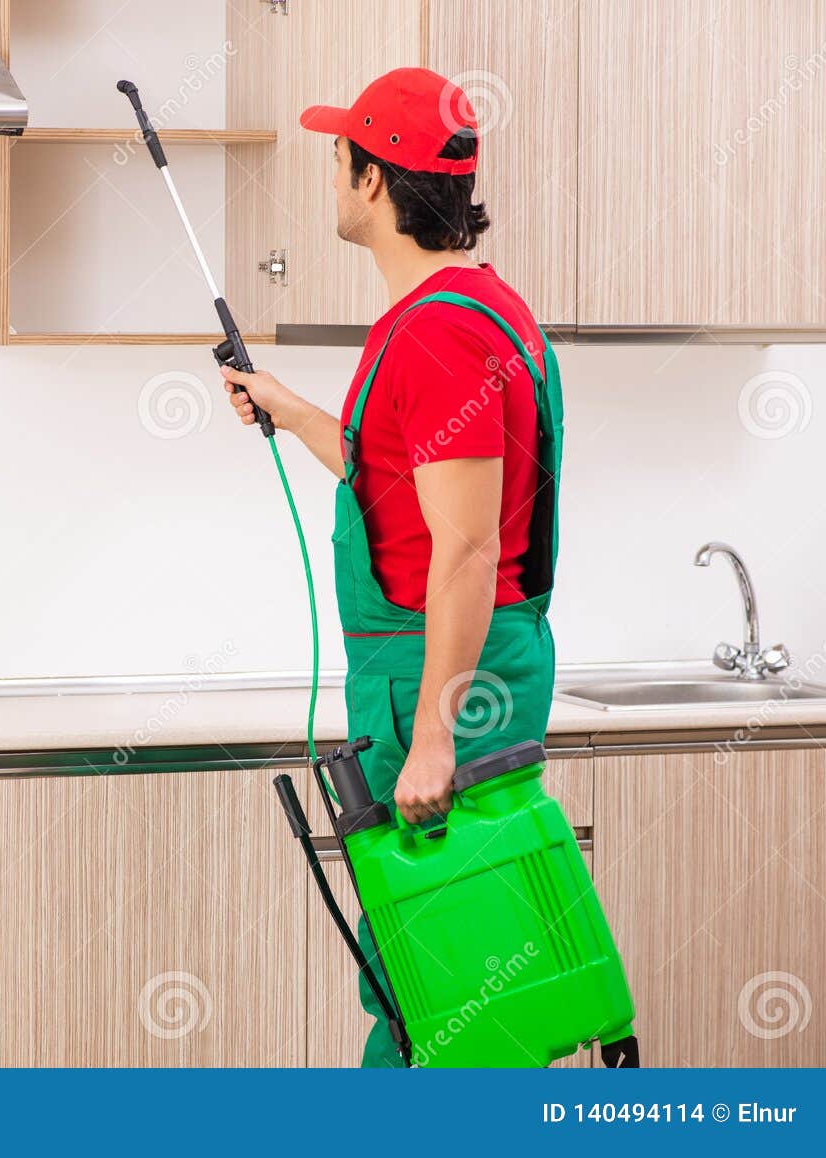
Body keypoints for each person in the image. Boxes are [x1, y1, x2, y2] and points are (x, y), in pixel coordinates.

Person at [221, 68, 565, 1067]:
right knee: (450, 977)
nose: (332, 178)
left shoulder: (437, 335)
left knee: (441, 992)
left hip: (439, 675)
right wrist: (289, 413)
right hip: (447, 665)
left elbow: (462, 550)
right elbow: (412, 496)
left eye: (339, 158)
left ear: (374, 181)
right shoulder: (471, 309)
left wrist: (431, 741)